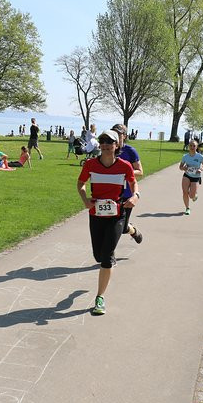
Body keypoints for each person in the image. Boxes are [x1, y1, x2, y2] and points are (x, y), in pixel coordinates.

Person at [77, 129, 139, 316]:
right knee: (98, 255)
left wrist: (135, 196)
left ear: (116, 145)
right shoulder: (90, 164)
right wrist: (85, 200)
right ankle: (132, 230)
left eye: (109, 142)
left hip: (117, 214)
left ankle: (99, 298)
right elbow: (80, 183)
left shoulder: (125, 165)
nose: (105, 145)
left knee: (106, 256)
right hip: (96, 214)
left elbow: (133, 183)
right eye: (102, 141)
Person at [112, 124, 144, 243]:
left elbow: (140, 171)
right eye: (113, 133)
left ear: (124, 136)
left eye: (119, 134)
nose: (115, 137)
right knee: (111, 224)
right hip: (112, 193)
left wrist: (125, 172)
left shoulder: (130, 151)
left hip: (126, 194)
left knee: (123, 227)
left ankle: (133, 231)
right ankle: (109, 254)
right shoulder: (109, 149)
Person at [179, 139, 203, 214]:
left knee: (191, 196)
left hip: (196, 177)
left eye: (194, 146)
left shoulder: (200, 156)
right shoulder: (185, 156)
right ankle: (187, 208)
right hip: (187, 175)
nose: (192, 147)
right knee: (185, 192)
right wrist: (183, 168)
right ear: (188, 147)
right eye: (190, 145)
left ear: (196, 147)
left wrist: (201, 169)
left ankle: (194, 195)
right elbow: (180, 167)